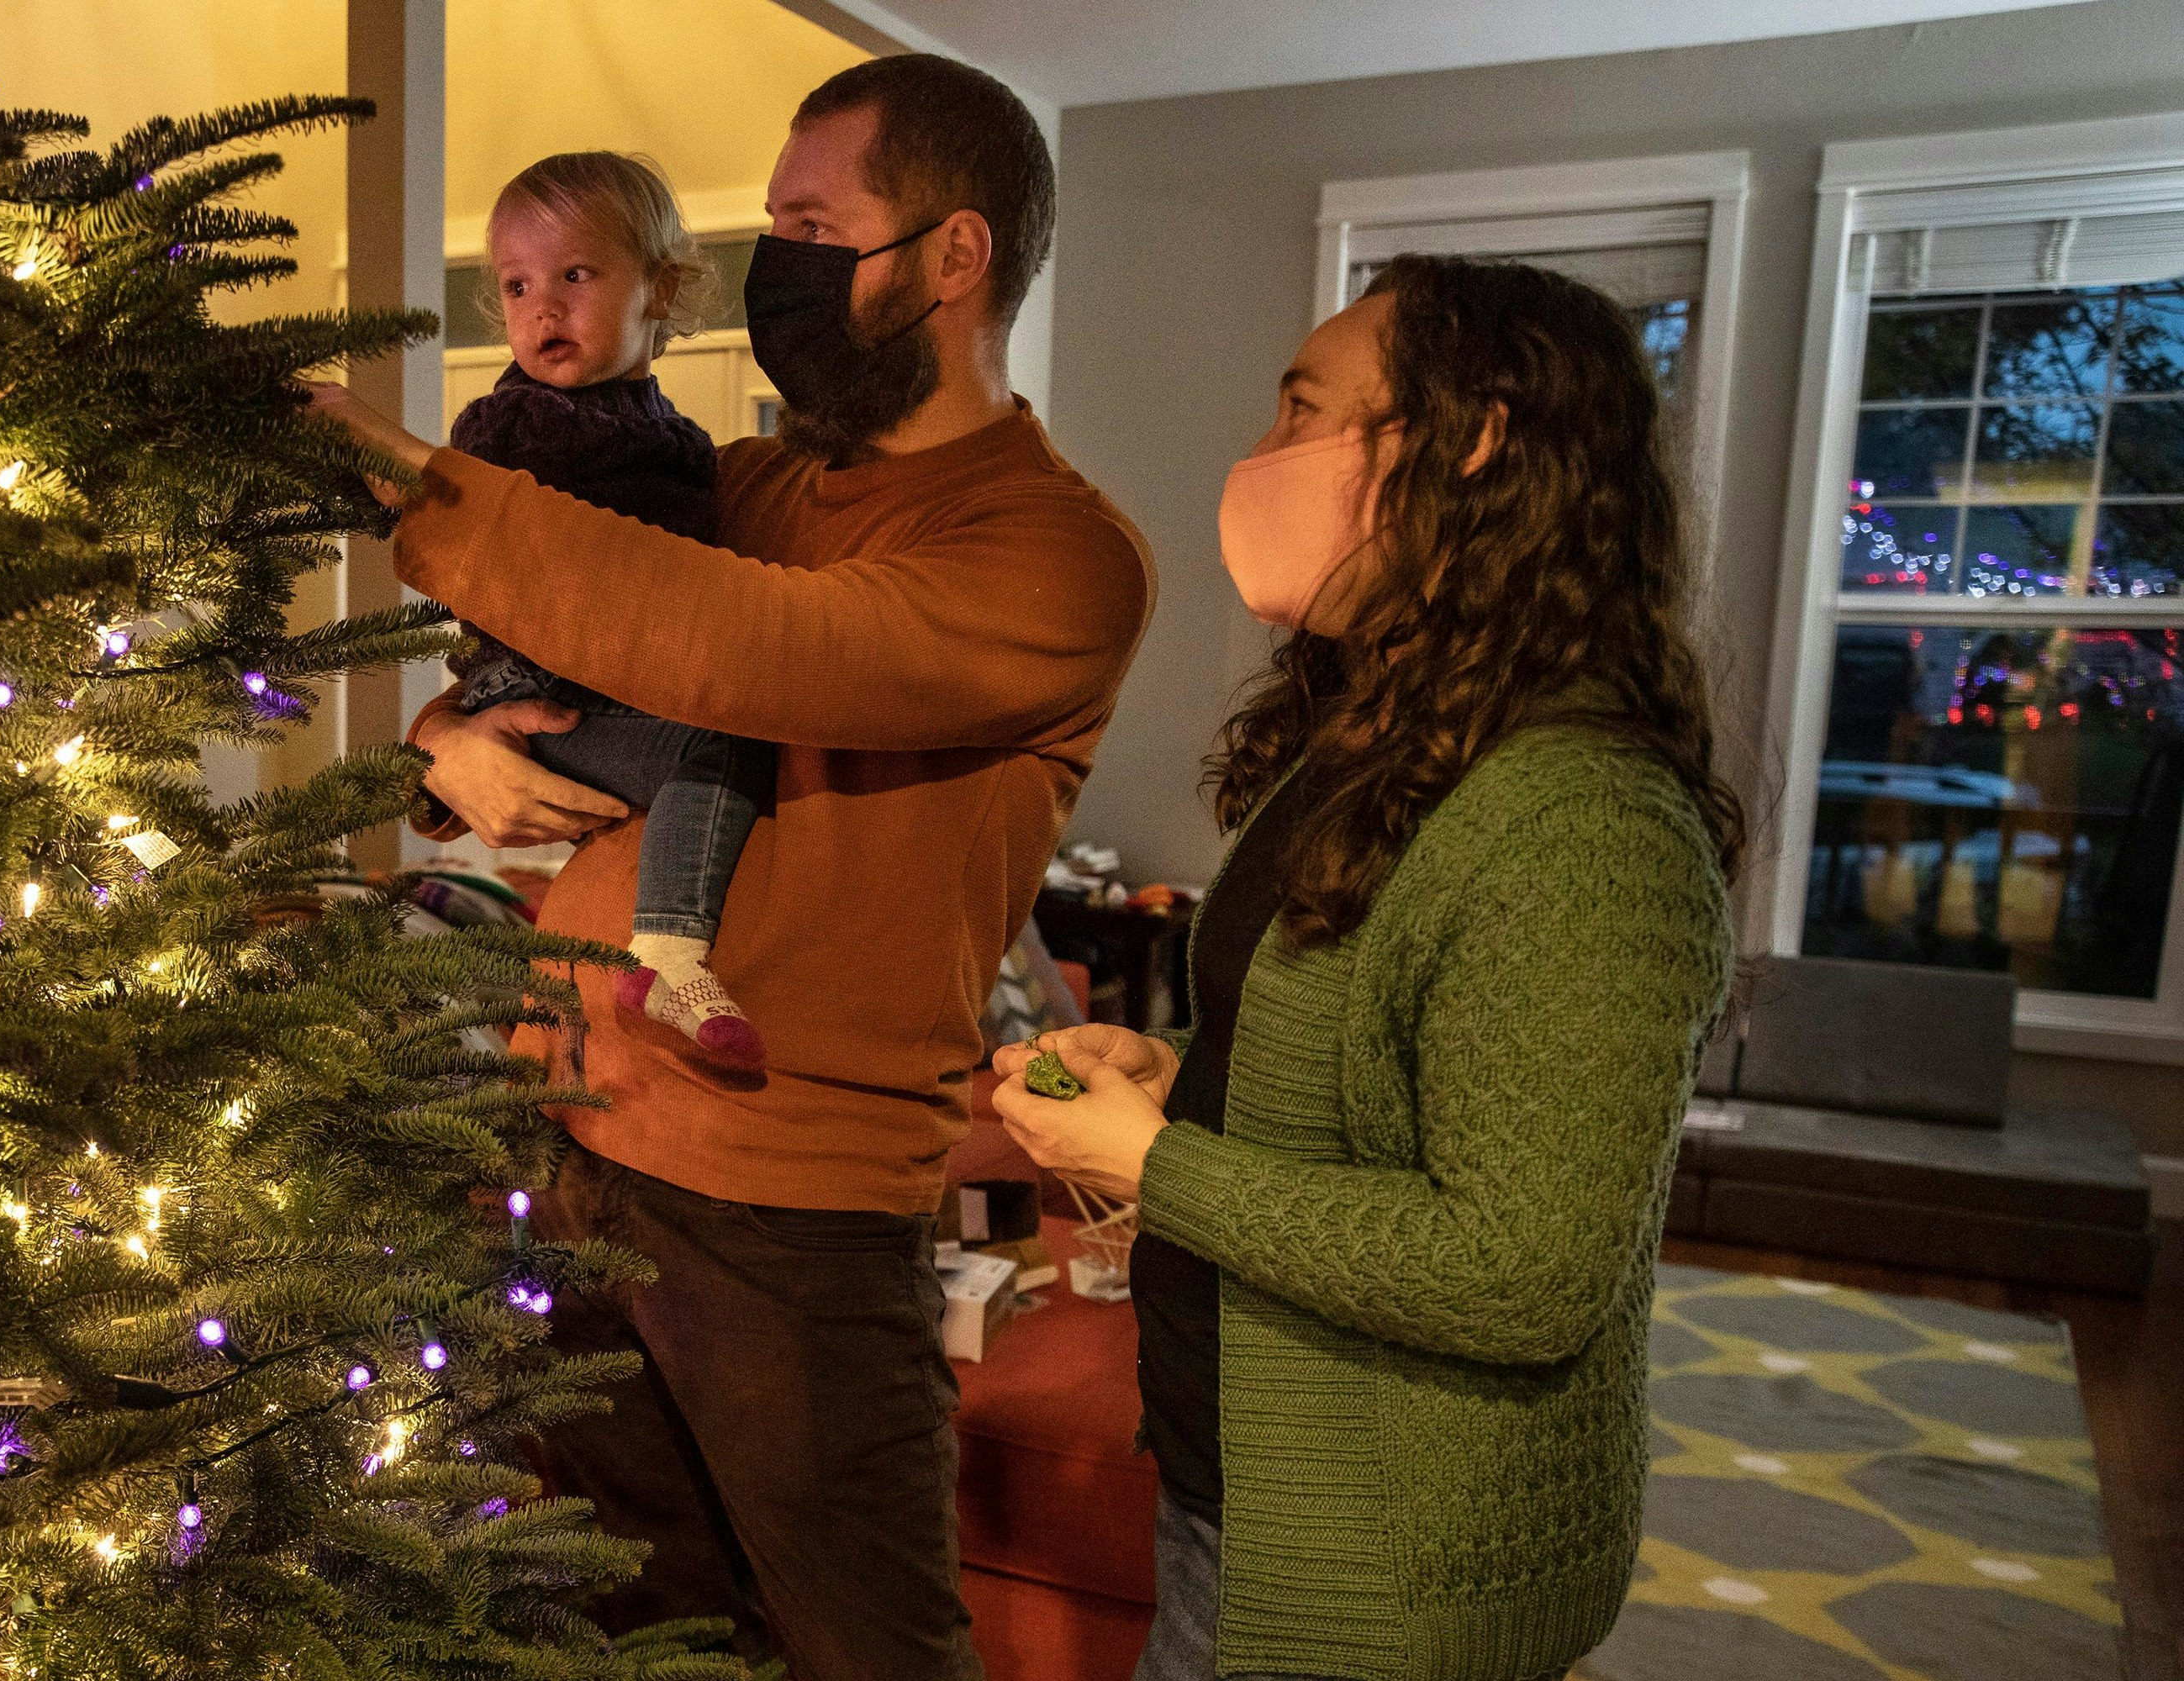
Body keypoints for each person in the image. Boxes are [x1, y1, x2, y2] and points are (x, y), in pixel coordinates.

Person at [311, 54, 1153, 1681]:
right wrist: (444, 750)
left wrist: (379, 462)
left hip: (793, 1199)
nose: (775, 260)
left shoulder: (1046, 550)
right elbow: (557, 637)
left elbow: (728, 642)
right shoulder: (746, 486)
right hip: (581, 1129)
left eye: (807, 222)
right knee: (629, 1616)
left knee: (859, 1644)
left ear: (949, 257)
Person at [992, 253, 1742, 1681]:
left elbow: (1528, 1269)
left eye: (1305, 416)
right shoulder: (1377, 747)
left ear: (1475, 441)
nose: (1264, 460)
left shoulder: (1583, 824)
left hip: (1385, 1562)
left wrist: (1163, 1167)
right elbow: (1361, 1081)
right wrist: (1182, 1083)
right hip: (1241, 1488)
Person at [438, 150, 778, 1072]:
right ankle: (670, 956)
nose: (542, 306)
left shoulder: (678, 441)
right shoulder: (511, 429)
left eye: (575, 275)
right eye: (515, 285)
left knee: (720, 738)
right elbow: (478, 559)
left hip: (622, 683)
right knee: (720, 742)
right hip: (542, 686)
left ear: (661, 288)